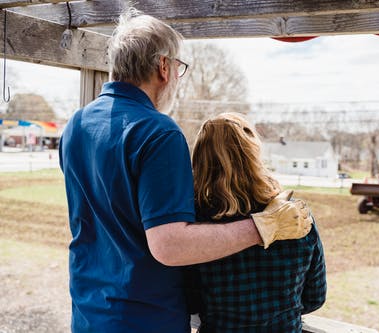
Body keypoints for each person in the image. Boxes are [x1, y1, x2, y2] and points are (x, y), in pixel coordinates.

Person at [58, 9, 312, 333]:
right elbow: (169, 244)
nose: (177, 78)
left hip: (88, 313)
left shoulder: (76, 126)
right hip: (143, 319)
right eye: (179, 68)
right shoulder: (158, 132)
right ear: (163, 67)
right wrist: (263, 226)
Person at [188, 112, 327, 332]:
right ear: (254, 154)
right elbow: (315, 297)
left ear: (201, 160)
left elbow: (190, 301)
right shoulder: (296, 217)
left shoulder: (195, 226)